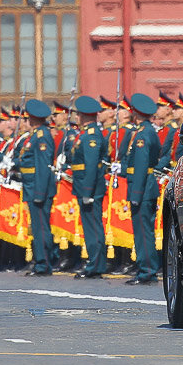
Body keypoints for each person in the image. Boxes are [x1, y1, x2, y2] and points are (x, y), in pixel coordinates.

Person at [123, 93, 162, 285]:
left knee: (143, 231)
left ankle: (147, 270)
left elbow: (141, 165)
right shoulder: (145, 132)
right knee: (143, 230)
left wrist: (136, 193)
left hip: (142, 188)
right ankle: (145, 268)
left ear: (134, 113)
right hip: (144, 186)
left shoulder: (143, 135)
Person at [18, 99, 59, 276]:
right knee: (37, 227)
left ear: (32, 119)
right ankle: (41, 261)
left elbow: (43, 165)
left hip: (38, 187)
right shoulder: (35, 135)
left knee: (41, 227)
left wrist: (40, 192)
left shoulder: (42, 136)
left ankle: (43, 264)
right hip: (31, 186)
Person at [69, 96, 108, 279]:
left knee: (93, 226)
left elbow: (91, 166)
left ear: (83, 116)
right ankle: (95, 263)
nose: (76, 117)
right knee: (91, 226)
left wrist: (87, 191)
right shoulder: (86, 134)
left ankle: (96, 265)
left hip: (90, 187)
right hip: (84, 185)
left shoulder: (91, 135)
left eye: (78, 114)